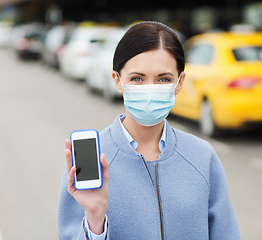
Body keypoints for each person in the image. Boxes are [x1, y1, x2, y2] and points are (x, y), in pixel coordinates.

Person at [58, 21, 240, 240]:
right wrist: (95, 221)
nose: (150, 90)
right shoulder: (91, 161)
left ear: (180, 83)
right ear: (117, 81)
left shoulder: (202, 156)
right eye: (137, 79)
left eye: (163, 79)